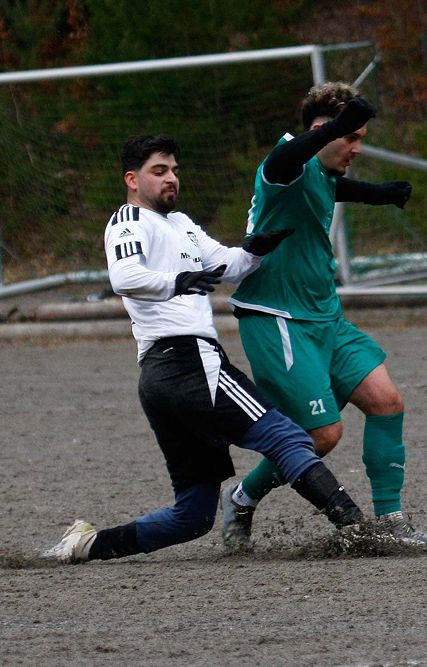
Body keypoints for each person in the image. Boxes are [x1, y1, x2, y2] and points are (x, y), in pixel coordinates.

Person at [42, 134, 370, 563]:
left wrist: (254, 250)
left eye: (174, 170)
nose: (170, 178)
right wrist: (174, 282)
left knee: (193, 516)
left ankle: (86, 545)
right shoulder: (128, 222)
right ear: (132, 179)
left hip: (164, 379)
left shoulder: (180, 224)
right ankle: (357, 528)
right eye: (159, 171)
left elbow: (225, 266)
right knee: (289, 437)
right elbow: (124, 277)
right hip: (187, 362)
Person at [220, 82, 427, 550]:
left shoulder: (319, 172)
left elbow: (333, 186)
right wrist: (336, 129)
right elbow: (283, 165)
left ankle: (391, 524)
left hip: (325, 317)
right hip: (277, 319)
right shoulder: (285, 160)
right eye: (353, 137)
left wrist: (377, 194)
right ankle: (241, 499)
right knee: (321, 437)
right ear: (326, 131)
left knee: (386, 401)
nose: (358, 147)